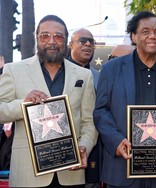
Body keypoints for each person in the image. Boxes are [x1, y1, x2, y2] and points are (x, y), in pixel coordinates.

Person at [94, 11, 156, 188]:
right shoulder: (111, 70)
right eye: (145, 31)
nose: (153, 36)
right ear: (133, 36)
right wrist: (116, 141)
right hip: (122, 169)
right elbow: (101, 112)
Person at [0, 15, 97, 187]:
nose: (51, 41)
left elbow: (89, 122)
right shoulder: (14, 70)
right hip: (28, 175)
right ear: (36, 38)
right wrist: (23, 104)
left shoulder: (84, 75)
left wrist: (83, 147)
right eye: (45, 36)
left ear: (66, 41)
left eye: (58, 36)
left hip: (70, 173)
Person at [67, 28, 102, 188]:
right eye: (82, 41)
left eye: (91, 41)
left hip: (96, 148)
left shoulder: (101, 77)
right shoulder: (60, 73)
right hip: (65, 147)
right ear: (70, 45)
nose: (88, 44)